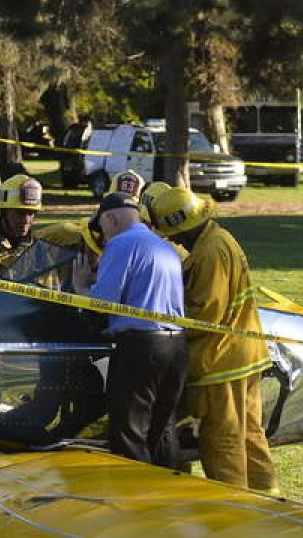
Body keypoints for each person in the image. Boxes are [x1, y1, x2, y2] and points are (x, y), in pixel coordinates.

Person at [149, 186, 276, 491]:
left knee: (222, 441)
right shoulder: (221, 238)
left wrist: (163, 325)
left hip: (220, 364)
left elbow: (207, 315)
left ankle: (234, 509)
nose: (173, 239)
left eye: (175, 232)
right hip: (245, 356)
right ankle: (268, 501)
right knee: (250, 436)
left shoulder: (209, 253)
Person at [71, 192, 187, 468]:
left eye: (103, 231)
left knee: (128, 431)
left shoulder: (122, 244)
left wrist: (82, 287)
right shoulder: (164, 246)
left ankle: (135, 502)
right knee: (163, 430)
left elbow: (103, 302)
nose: (104, 239)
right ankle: (169, 496)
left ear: (109, 219)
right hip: (177, 345)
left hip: (142, 347)